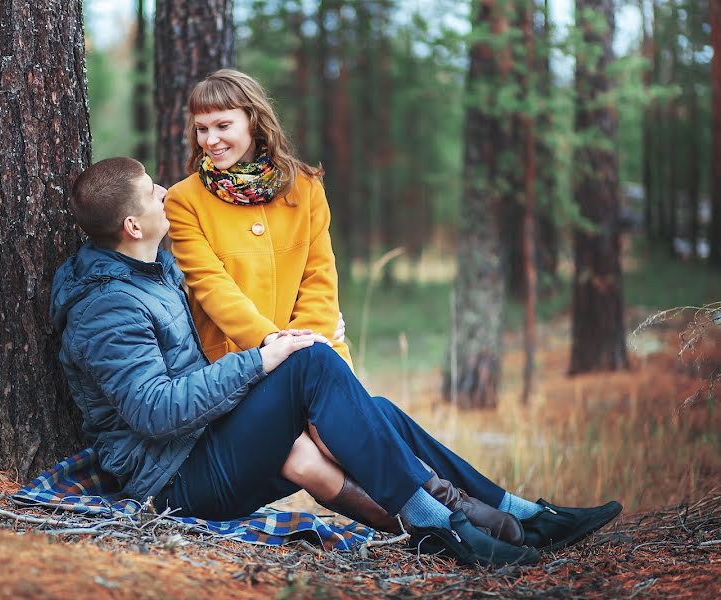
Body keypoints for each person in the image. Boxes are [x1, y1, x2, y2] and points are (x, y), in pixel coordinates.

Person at [50, 156, 622, 567]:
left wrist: (290, 339)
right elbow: (154, 411)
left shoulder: (154, 272)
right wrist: (262, 359)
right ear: (132, 226)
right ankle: (444, 525)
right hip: (176, 479)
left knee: (371, 408)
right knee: (311, 364)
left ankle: (515, 515)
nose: (164, 195)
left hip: (203, 443)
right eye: (153, 192)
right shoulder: (107, 308)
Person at [164, 69, 350, 367]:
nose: (211, 140)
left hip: (315, 350)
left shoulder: (305, 187)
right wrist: (270, 341)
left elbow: (319, 275)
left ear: (253, 119)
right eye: (202, 129)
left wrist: (309, 338)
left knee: (360, 409)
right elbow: (211, 286)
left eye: (223, 125)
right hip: (238, 364)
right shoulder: (183, 200)